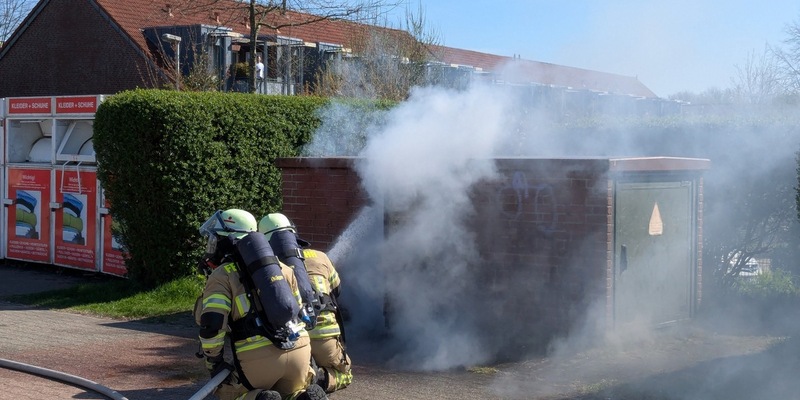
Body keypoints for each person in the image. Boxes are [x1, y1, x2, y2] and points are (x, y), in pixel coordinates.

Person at [195, 209, 328, 400]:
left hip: (257, 363)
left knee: (226, 392)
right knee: (291, 392)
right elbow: (298, 312)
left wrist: (214, 361)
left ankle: (259, 397)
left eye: (214, 239)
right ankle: (301, 396)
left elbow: (212, 326)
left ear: (226, 241)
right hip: (299, 355)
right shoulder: (282, 268)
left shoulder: (222, 276)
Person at [259, 213, 353, 394]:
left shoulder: (267, 266)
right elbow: (337, 290)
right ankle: (321, 379)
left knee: (288, 380)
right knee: (345, 374)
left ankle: (303, 377)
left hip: (290, 341)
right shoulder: (321, 256)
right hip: (325, 336)